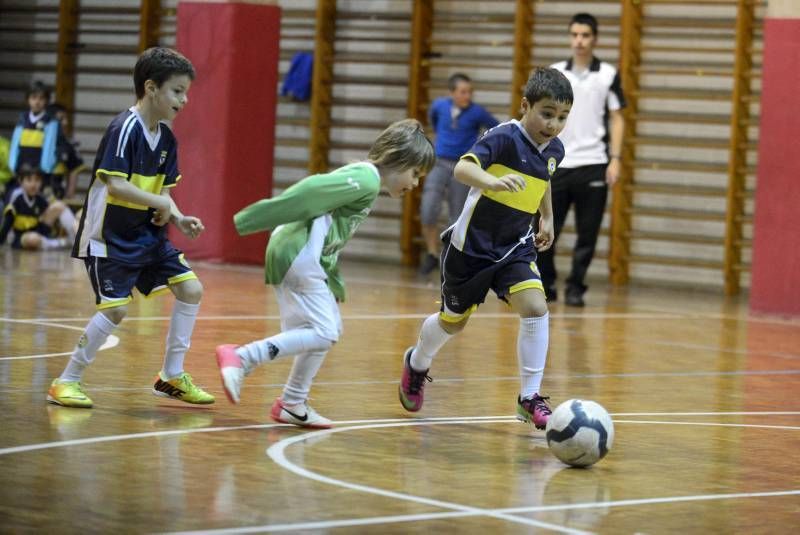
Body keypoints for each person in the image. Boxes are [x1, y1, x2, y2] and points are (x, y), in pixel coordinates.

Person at [215, 118, 435, 428]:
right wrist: (255, 217)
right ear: (399, 159)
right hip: (297, 253)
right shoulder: (367, 178)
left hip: (295, 253)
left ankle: (293, 402)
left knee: (316, 333)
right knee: (326, 331)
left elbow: (327, 226)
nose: (414, 184)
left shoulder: (365, 183)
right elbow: (310, 191)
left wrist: (332, 276)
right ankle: (242, 357)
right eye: (415, 174)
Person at [398, 68, 574, 430]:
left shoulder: (555, 148)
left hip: (515, 246)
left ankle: (529, 397)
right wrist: (492, 180)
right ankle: (417, 362)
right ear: (525, 105)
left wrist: (548, 217)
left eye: (562, 117)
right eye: (546, 113)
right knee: (453, 323)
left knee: (536, 307)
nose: (553, 124)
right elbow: (462, 169)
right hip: (471, 249)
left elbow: (544, 182)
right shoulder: (503, 138)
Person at [46, 47, 215, 409]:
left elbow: (164, 191)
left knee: (191, 289)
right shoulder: (124, 129)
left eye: (187, 92)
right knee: (116, 310)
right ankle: (66, 381)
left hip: (147, 235)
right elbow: (116, 185)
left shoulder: (167, 139)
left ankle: (171, 376)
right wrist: (158, 205)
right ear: (151, 88)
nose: (184, 100)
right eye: (177, 91)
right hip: (109, 236)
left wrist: (177, 216)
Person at [538, 12, 626, 307]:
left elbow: (617, 118)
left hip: (593, 163)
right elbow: (540, 115)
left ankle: (576, 287)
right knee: (547, 228)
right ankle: (546, 283)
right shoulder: (556, 73)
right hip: (557, 165)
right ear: (569, 37)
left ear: (595, 39)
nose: (579, 40)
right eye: (574, 34)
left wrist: (615, 159)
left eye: (585, 35)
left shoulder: (608, 75)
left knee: (587, 235)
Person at [418, 73, 498, 275]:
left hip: (462, 167)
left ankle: (449, 259)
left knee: (457, 216)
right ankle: (431, 253)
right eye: (463, 92)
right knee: (428, 209)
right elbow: (433, 121)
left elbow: (496, 129)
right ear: (452, 92)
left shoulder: (477, 112)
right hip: (439, 163)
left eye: (470, 92)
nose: (467, 96)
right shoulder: (439, 106)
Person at [7, 81, 63, 199]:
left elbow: (51, 148)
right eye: (33, 98)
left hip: (41, 175)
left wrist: (45, 169)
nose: (37, 102)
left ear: (46, 100)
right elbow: (15, 146)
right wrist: (13, 167)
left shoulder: (51, 122)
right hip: (21, 173)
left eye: (41, 98)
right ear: (28, 99)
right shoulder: (22, 120)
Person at [0, 164, 76, 250]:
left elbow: (49, 214)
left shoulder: (39, 198)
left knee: (59, 206)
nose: (33, 184)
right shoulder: (16, 197)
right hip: (20, 237)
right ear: (21, 181)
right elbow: (7, 223)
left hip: (37, 231)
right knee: (33, 239)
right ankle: (58, 243)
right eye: (29, 180)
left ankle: (76, 240)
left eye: (37, 180)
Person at [45, 103, 86, 200]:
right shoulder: (39, 140)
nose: (65, 122)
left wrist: (69, 197)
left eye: (66, 119)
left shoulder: (68, 145)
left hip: (57, 197)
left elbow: (74, 171)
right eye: (61, 119)